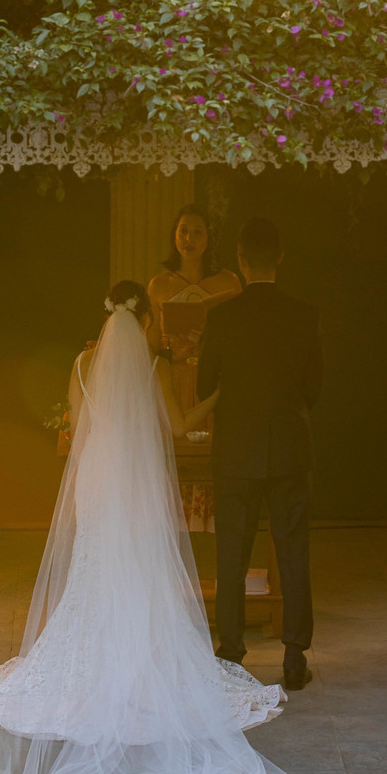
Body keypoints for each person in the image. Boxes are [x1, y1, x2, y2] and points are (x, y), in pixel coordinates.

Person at [0, 281, 361, 774]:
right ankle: (139, 657)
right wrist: (222, 392)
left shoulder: (81, 365)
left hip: (99, 480)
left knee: (95, 570)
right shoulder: (157, 367)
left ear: (105, 319)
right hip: (136, 484)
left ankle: (91, 655)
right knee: (142, 571)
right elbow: (181, 424)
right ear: (146, 321)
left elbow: (77, 429)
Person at [197, 216, 322, 693]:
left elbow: (207, 384)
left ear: (241, 261)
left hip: (235, 452)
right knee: (292, 553)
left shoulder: (221, 317)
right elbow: (314, 387)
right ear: (281, 257)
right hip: (291, 448)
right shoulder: (305, 315)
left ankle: (230, 654)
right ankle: (294, 657)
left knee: (231, 553)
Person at [147, 204, 241, 530]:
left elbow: (241, 335)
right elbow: (152, 342)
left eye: (197, 231)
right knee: (176, 456)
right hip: (174, 379)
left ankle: (217, 528)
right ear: (174, 236)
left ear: (208, 237)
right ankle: (174, 533)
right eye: (183, 231)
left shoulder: (227, 281)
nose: (189, 238)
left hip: (213, 379)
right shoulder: (159, 284)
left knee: (216, 458)